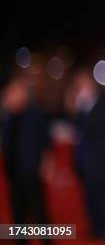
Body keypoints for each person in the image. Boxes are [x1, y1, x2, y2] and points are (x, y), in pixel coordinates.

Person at [64, 67, 105, 240]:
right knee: (89, 197)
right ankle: (96, 228)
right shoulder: (79, 106)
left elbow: (98, 129)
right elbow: (77, 129)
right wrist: (74, 110)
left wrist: (83, 107)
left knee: (102, 196)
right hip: (83, 160)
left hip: (98, 160)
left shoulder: (101, 104)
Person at [1, 66, 53, 245]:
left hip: (32, 170)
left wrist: (46, 163)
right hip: (14, 172)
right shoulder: (8, 117)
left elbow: (47, 141)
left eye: (15, 91)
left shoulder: (35, 114)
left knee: (39, 211)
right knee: (18, 212)